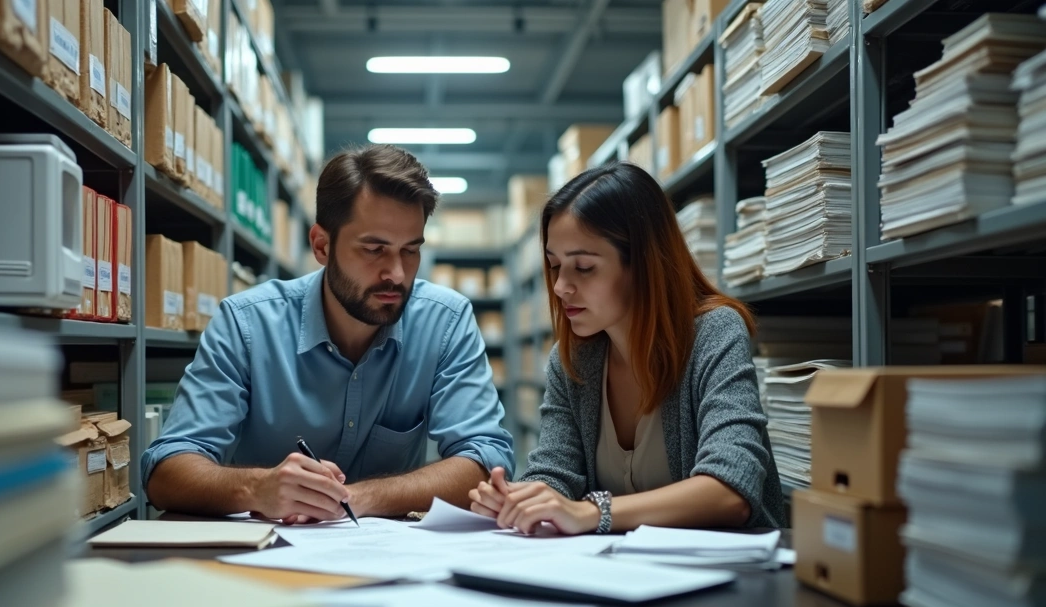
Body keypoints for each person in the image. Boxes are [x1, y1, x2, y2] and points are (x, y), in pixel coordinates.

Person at [144, 144, 514, 523]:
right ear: (322, 245)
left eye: (410, 251)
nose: (397, 274)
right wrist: (257, 489)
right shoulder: (246, 324)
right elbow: (165, 472)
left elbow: (487, 463)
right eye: (374, 249)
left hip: (395, 562)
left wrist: (352, 498)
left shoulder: (445, 322)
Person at [469, 163, 786, 535]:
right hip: (621, 578)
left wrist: (592, 511)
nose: (560, 287)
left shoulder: (713, 334)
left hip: (733, 579)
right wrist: (520, 500)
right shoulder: (574, 361)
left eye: (583, 267)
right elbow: (555, 472)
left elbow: (732, 490)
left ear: (644, 264)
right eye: (555, 266)